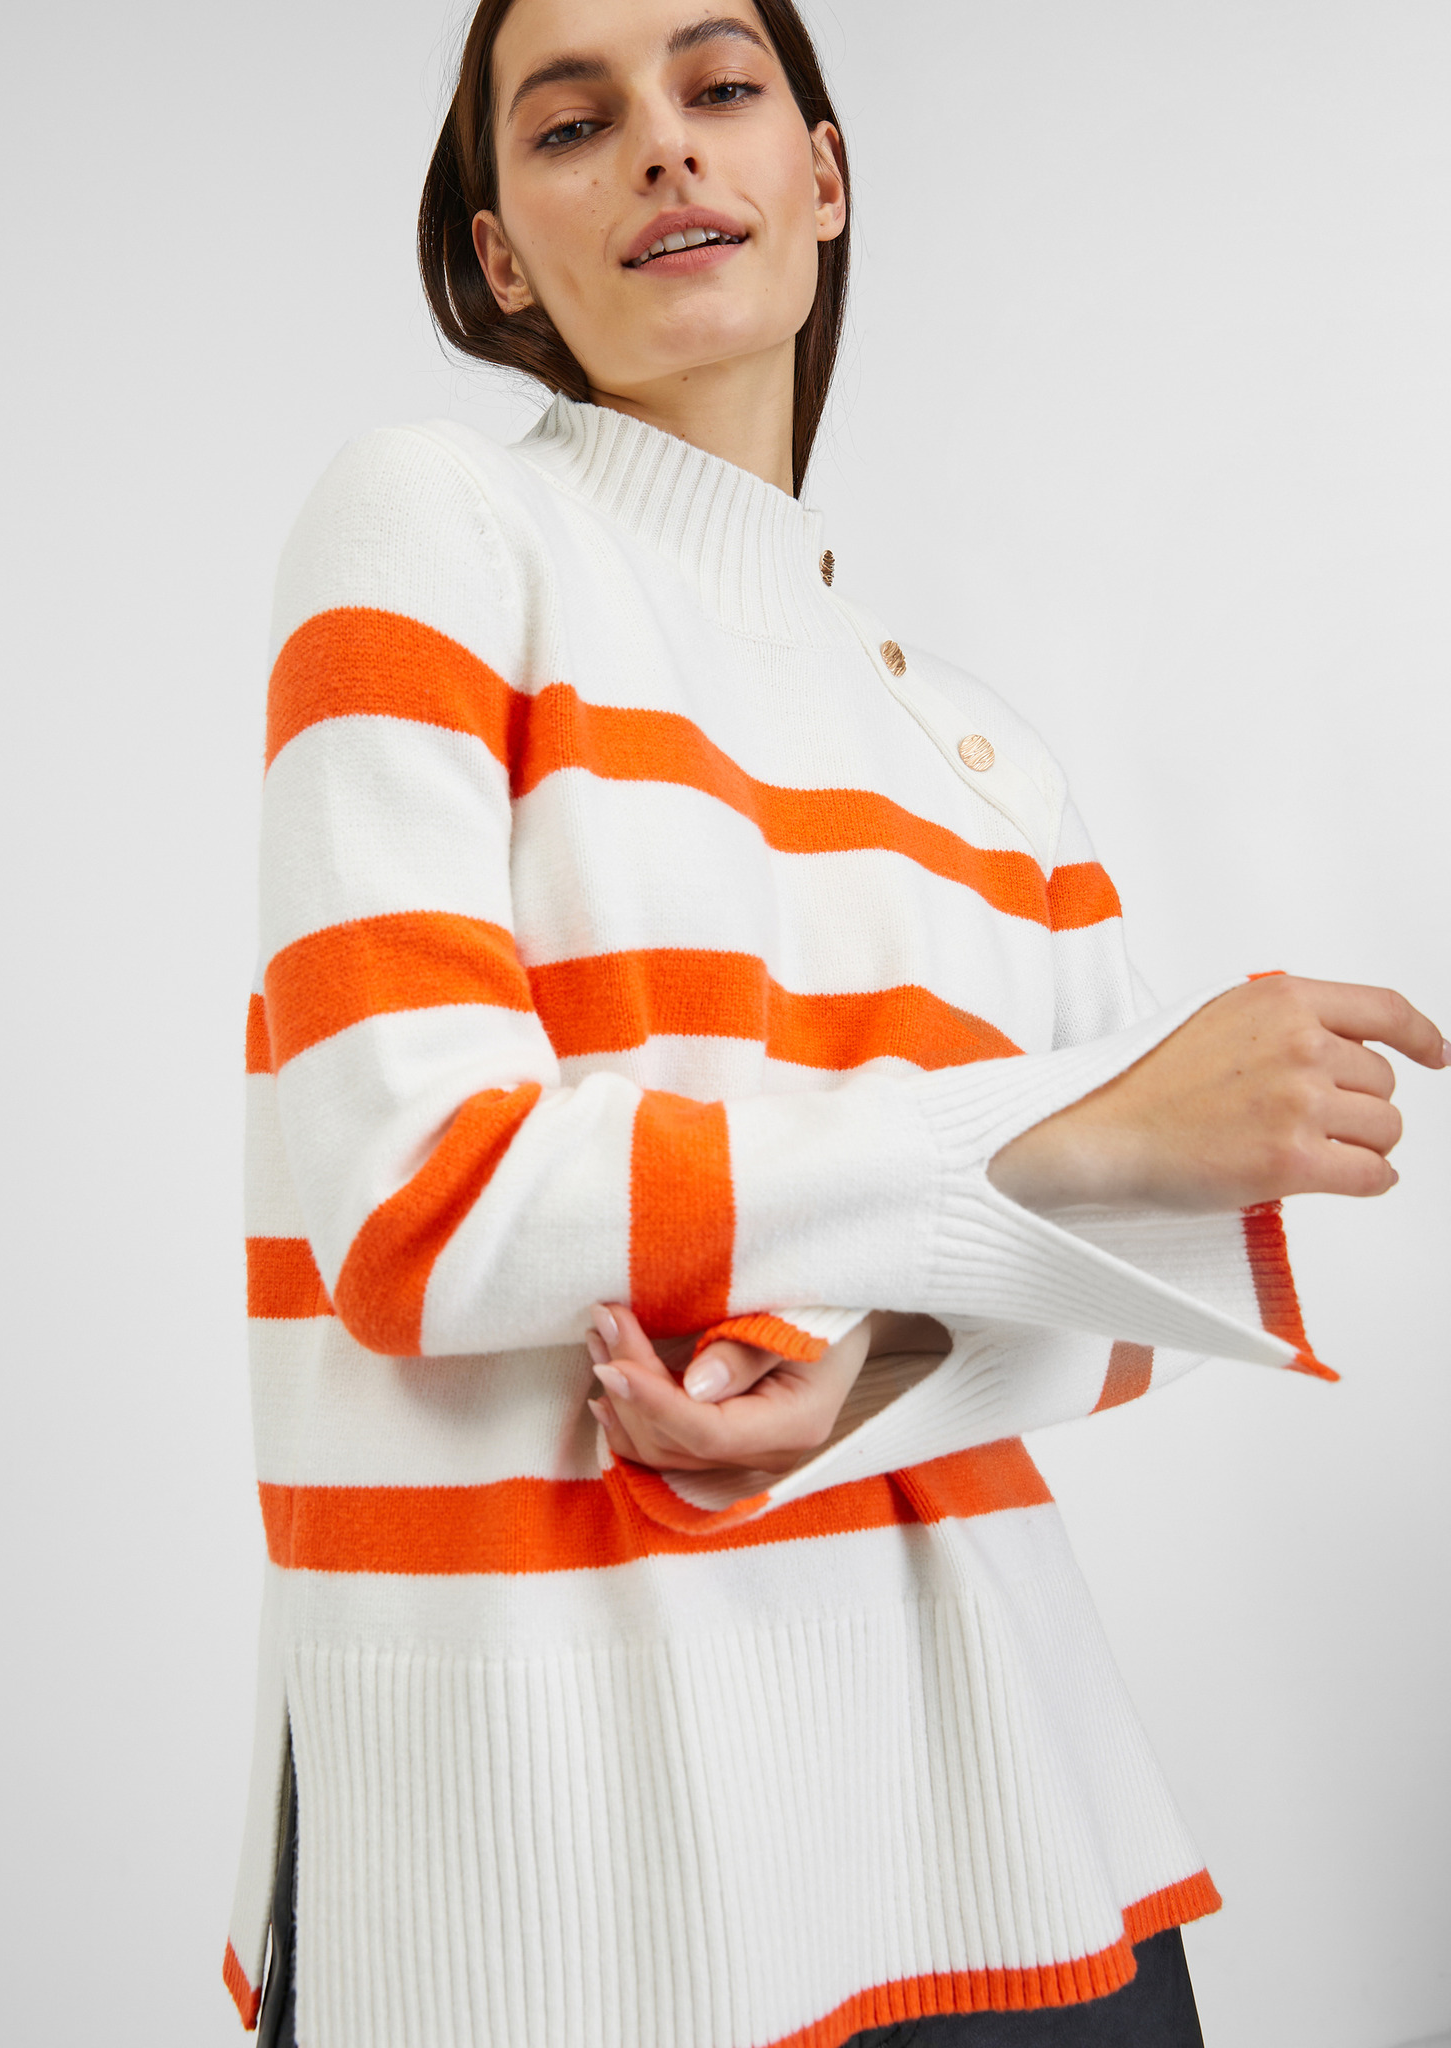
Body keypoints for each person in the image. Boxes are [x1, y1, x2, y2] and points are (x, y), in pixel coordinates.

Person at [222, 2, 1445, 2042]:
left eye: (720, 90)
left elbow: (1146, 1272)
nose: (665, 147)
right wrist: (1064, 1131)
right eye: (573, 122)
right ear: (500, 253)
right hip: (543, 1860)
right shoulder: (431, 526)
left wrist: (860, 1372)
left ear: (825, 173)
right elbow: (420, 1206)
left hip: (1011, 1840)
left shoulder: (981, 753)